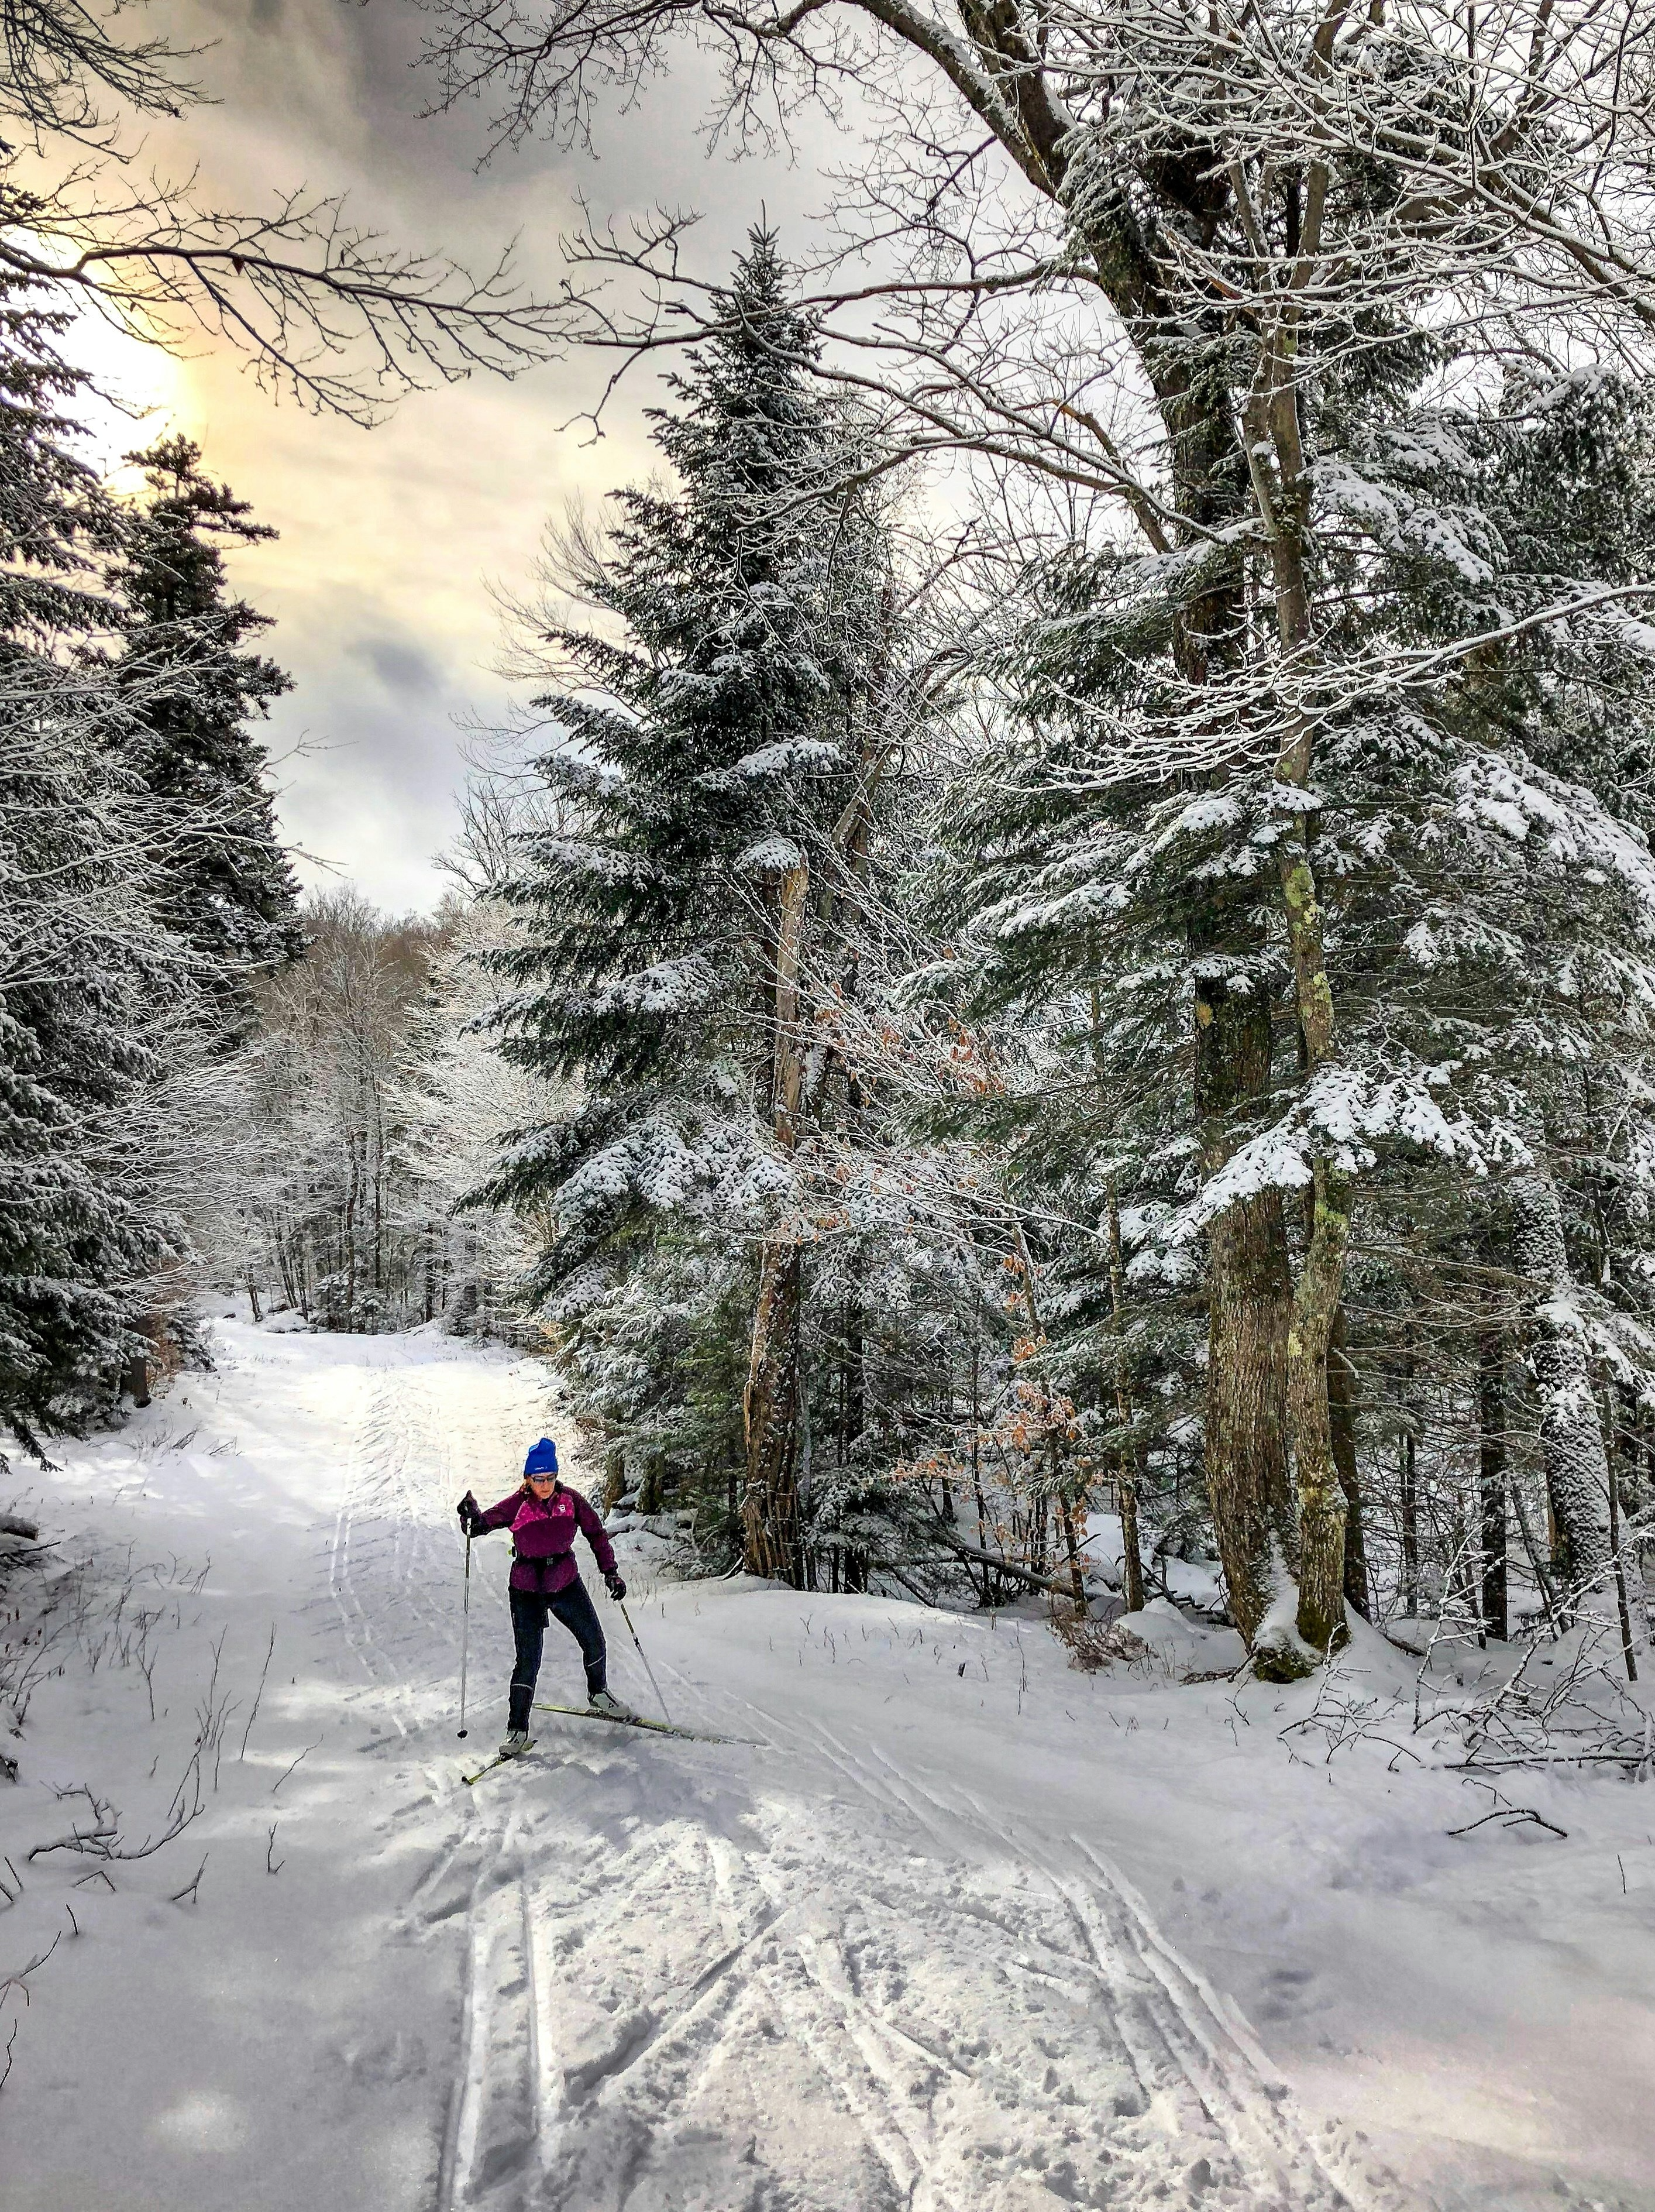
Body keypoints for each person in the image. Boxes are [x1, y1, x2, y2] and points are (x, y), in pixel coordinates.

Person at [457, 1437, 634, 1759]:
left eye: (550, 1477)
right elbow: (481, 1526)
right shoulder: (518, 1505)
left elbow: (596, 1533)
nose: (545, 1484)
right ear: (528, 1479)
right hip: (526, 1589)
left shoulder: (571, 1501)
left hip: (566, 1581)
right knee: (528, 1660)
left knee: (594, 1640)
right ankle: (517, 1730)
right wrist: (470, 1516)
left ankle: (598, 1694)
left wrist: (611, 1572)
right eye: (538, 1479)